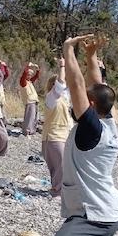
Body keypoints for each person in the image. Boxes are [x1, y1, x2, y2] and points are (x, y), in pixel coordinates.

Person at [43, 34, 118, 236]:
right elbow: (95, 87)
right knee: (85, 234)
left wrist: (68, 49)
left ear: (90, 104)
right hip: (106, 210)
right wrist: (91, 57)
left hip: (96, 214)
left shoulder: (92, 128)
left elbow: (79, 85)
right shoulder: (107, 120)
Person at [42, 58, 73, 197]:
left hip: (63, 135)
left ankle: (58, 189)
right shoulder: (51, 98)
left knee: (62, 165)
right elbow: (60, 85)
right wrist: (62, 66)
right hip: (53, 136)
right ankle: (57, 190)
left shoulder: (65, 99)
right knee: (60, 165)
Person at [19, 61, 41, 135]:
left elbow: (36, 77)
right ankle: (26, 131)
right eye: (28, 74)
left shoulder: (30, 81)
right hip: (29, 102)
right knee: (29, 117)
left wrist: (37, 70)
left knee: (35, 117)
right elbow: (23, 75)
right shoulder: (23, 82)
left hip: (35, 101)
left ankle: (32, 130)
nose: (30, 76)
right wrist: (27, 67)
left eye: (31, 75)